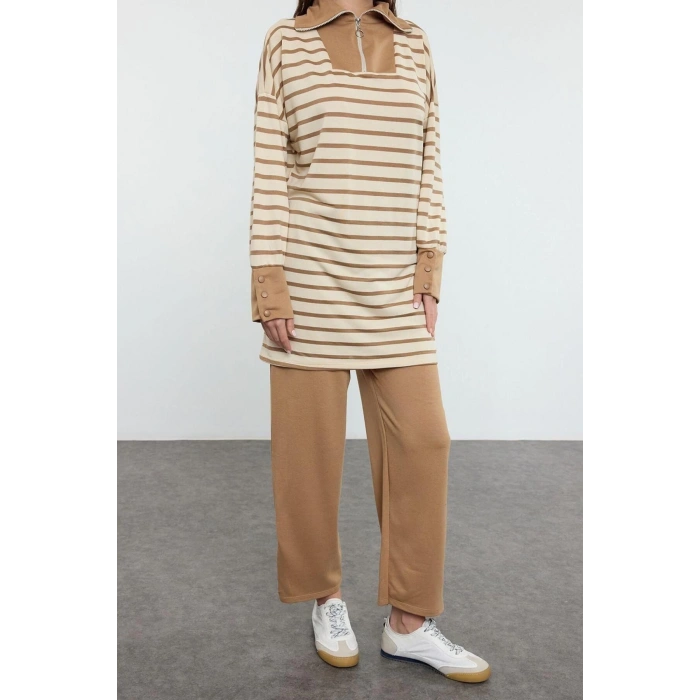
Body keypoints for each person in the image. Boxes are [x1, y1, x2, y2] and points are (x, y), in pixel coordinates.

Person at [248, 0, 490, 683]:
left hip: (393, 288)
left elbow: (429, 162)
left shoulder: (415, 43)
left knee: (425, 440)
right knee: (308, 459)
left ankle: (409, 623)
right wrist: (269, 281)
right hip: (310, 280)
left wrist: (429, 268)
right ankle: (325, 599)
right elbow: (270, 170)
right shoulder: (286, 41)